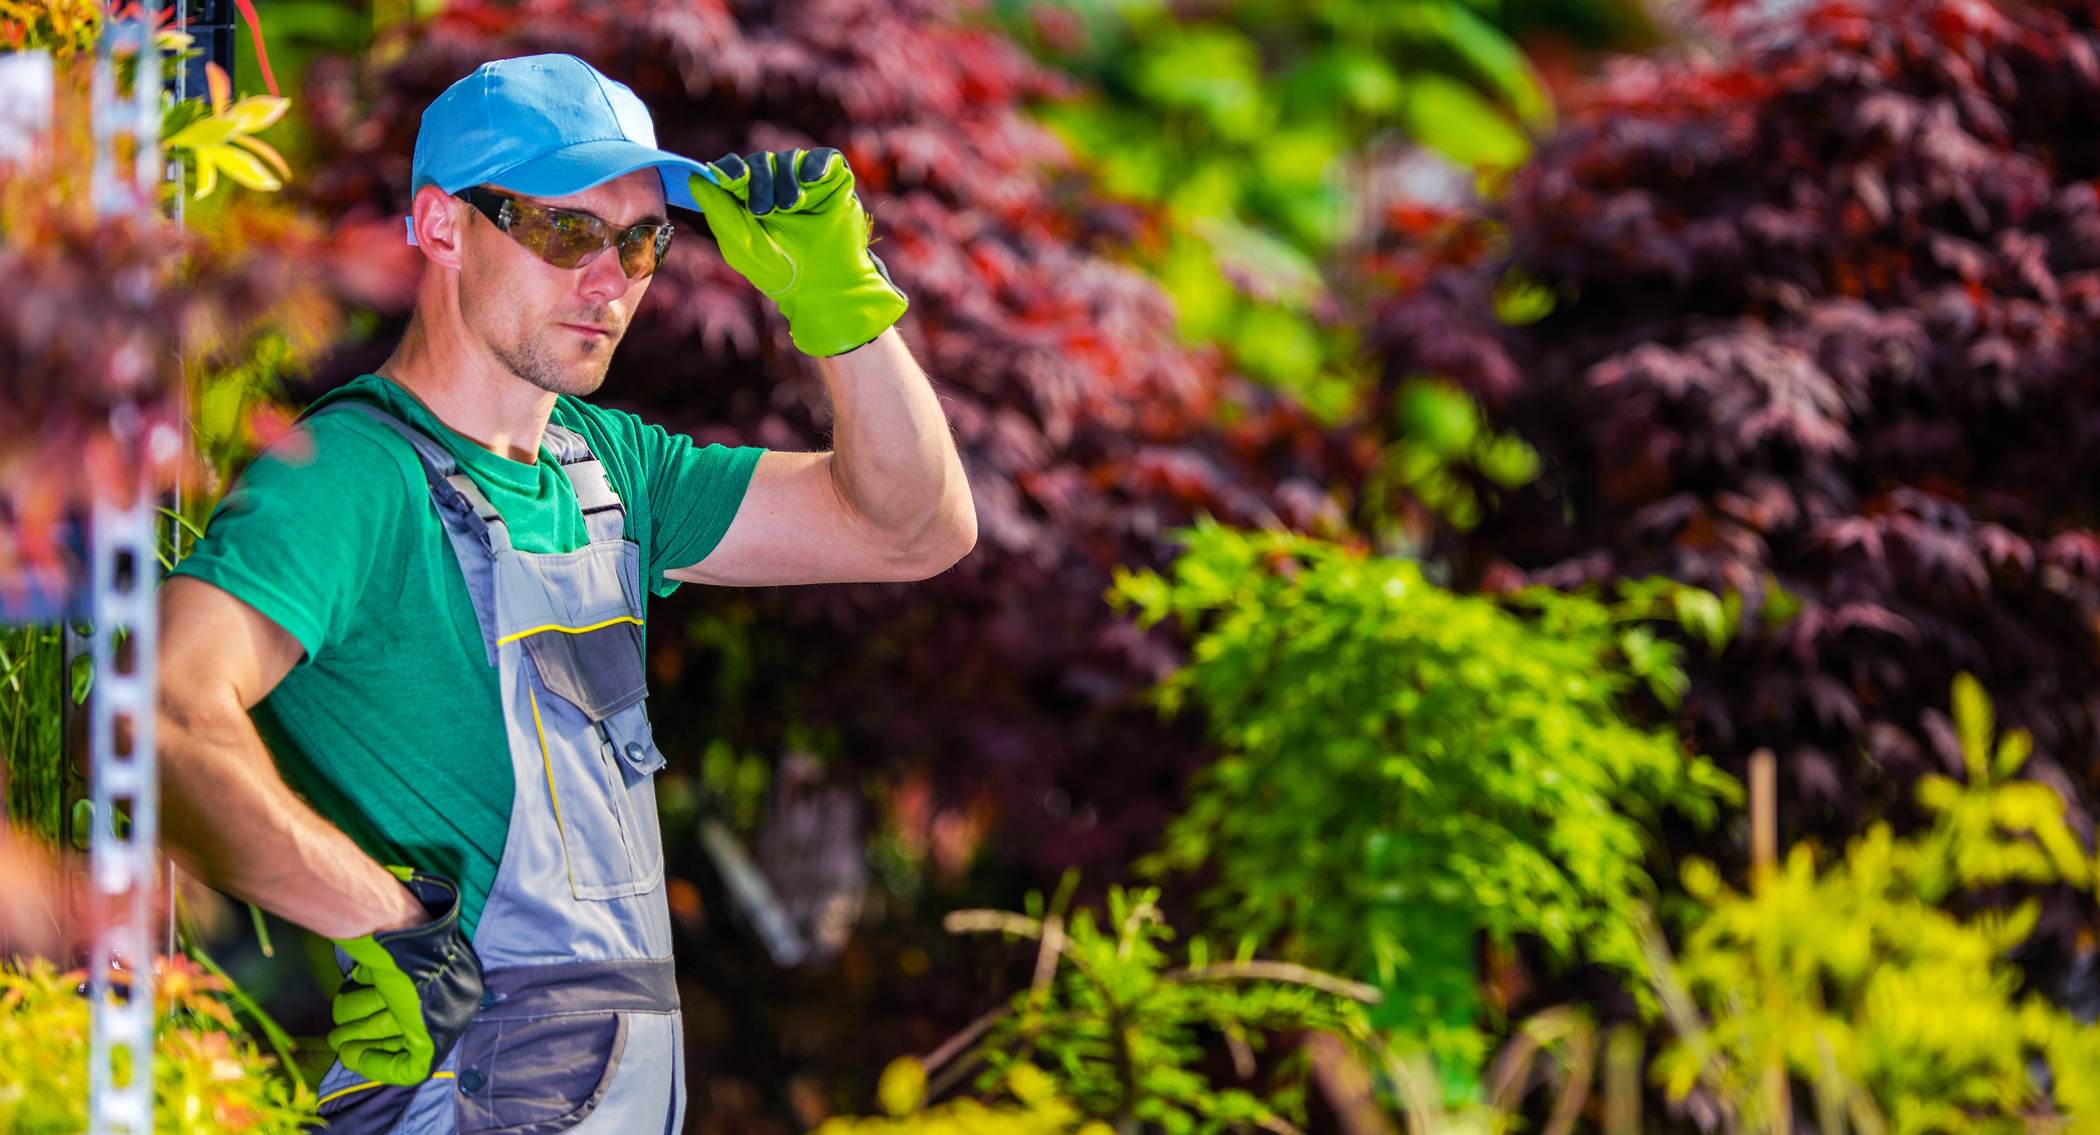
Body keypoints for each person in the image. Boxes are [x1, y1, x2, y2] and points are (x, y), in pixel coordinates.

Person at [156, 53, 975, 1135]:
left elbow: (911, 527)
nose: (613, 279)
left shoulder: (611, 472)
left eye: (640, 240)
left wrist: (840, 305)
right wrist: (376, 921)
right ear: (442, 226)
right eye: (566, 231)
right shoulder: (352, 481)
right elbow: (152, 711)